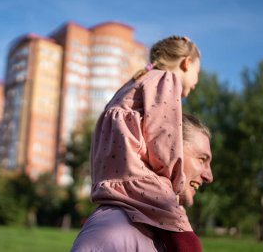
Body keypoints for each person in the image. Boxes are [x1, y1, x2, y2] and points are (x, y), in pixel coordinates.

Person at [71, 36, 204, 252]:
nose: (197, 81)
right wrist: (174, 184)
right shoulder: (165, 79)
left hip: (112, 183)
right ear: (186, 63)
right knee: (188, 242)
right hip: (140, 179)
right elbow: (163, 137)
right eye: (198, 72)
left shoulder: (130, 86)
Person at [70, 114, 213, 251]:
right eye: (201, 159)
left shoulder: (168, 228)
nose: (209, 176)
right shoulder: (112, 230)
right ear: (168, 154)